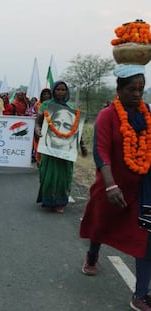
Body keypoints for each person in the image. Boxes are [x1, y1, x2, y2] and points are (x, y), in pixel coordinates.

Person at [79, 65, 151, 310]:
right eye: (132, 89)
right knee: (100, 226)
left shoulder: (147, 114)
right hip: (111, 187)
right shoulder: (107, 115)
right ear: (119, 89)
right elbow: (100, 152)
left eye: (141, 89)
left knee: (146, 237)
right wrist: (111, 186)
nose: (137, 94)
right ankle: (92, 255)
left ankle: (140, 294)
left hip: (141, 190)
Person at [34, 81, 87, 213]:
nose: (61, 92)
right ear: (54, 91)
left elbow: (76, 129)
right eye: (58, 89)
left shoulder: (70, 107)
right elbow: (38, 122)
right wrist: (38, 130)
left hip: (66, 150)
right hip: (49, 147)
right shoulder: (46, 105)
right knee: (48, 174)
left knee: (65, 176)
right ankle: (49, 201)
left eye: (63, 90)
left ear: (67, 92)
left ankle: (61, 202)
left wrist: (82, 145)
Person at [33, 88, 52, 164]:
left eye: (48, 94)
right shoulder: (37, 105)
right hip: (39, 128)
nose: (46, 96)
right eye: (44, 94)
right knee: (38, 147)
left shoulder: (54, 105)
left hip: (50, 129)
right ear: (41, 96)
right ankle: (38, 161)